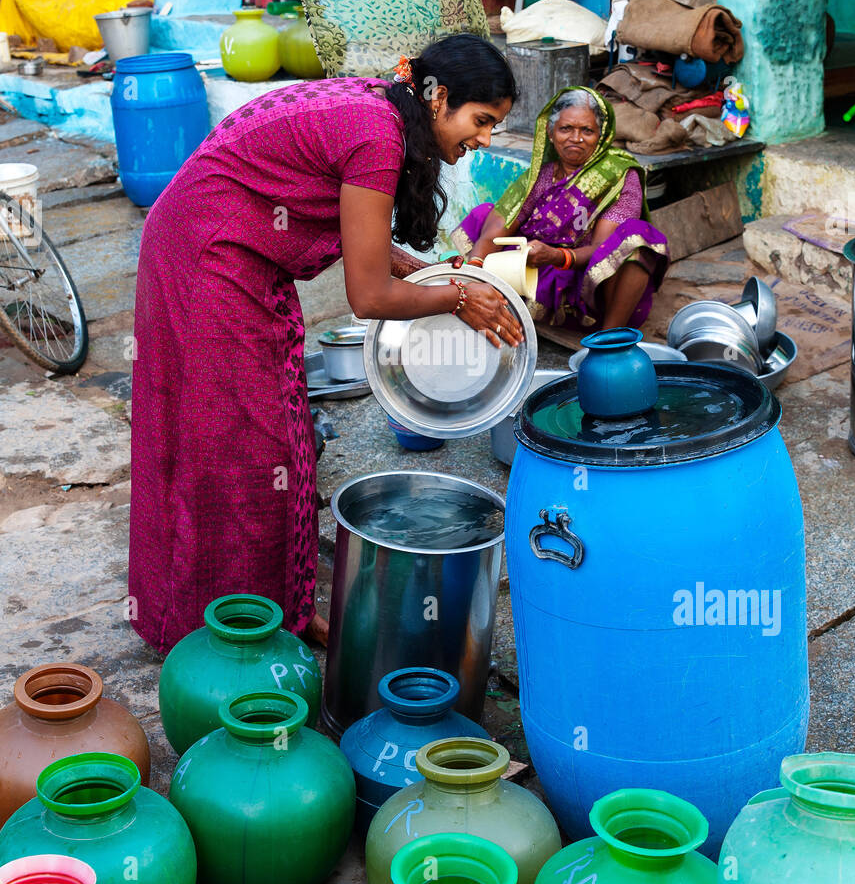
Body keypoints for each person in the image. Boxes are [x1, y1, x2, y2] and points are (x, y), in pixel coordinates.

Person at [129, 34, 519, 654]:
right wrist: (457, 297)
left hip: (202, 241)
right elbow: (368, 297)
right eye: (482, 121)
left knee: (248, 439)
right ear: (439, 97)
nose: (485, 140)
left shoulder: (384, 109)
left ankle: (269, 612)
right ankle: (234, 631)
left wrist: (425, 275)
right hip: (208, 260)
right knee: (250, 447)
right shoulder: (377, 136)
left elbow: (364, 245)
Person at [451, 86, 669, 331]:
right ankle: (496, 302)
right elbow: (499, 227)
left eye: (587, 130)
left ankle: (610, 340)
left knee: (637, 238)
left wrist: (557, 256)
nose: (575, 138)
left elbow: (603, 251)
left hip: (585, 283)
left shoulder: (618, 174)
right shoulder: (541, 176)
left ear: (602, 135)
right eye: (566, 129)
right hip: (534, 271)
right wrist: (474, 275)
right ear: (551, 132)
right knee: (485, 215)